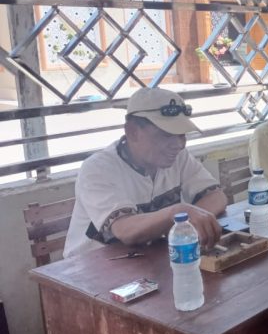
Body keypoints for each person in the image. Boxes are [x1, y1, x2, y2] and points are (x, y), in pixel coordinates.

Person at [65, 88, 227, 257]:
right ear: (132, 132)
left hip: (146, 258)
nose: (179, 145)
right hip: (91, 266)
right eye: (166, 135)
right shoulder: (98, 169)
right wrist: (178, 213)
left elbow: (216, 196)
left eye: (182, 135)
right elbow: (126, 230)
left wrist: (188, 220)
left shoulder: (177, 157)